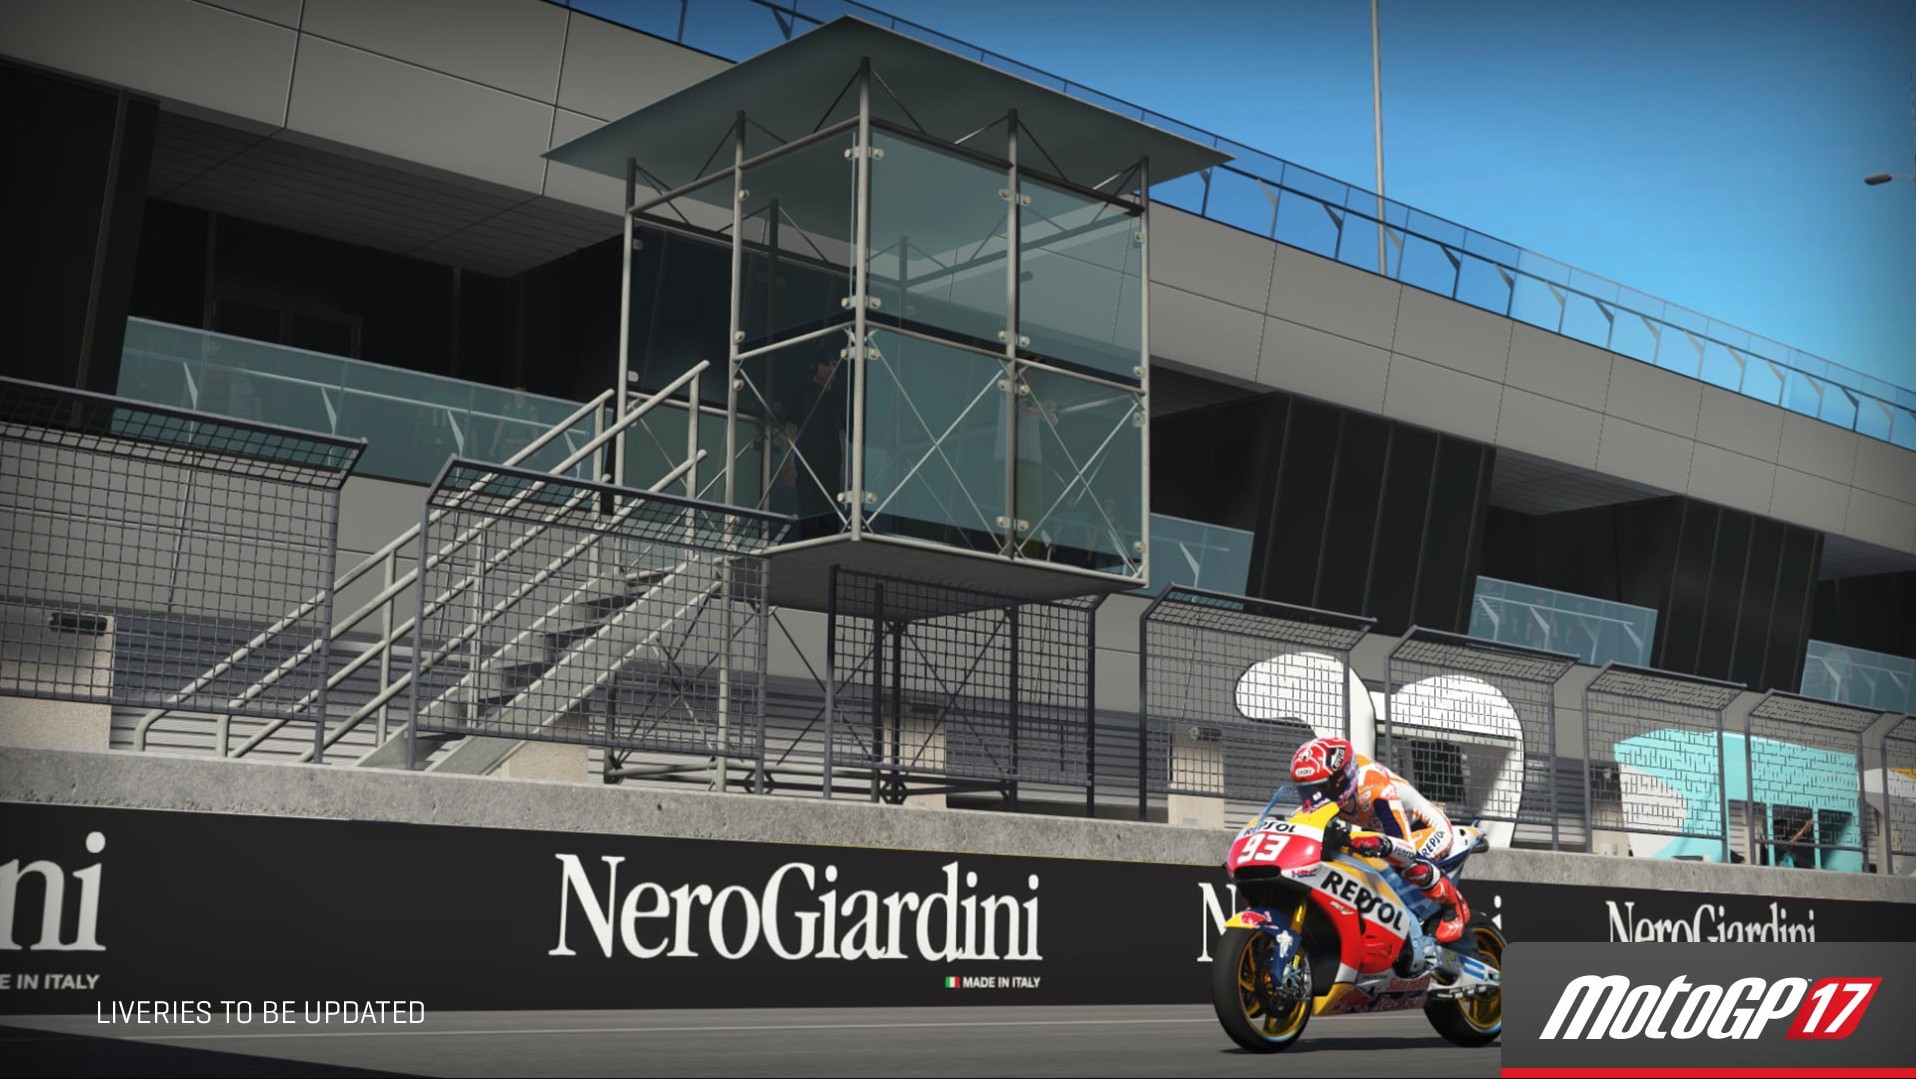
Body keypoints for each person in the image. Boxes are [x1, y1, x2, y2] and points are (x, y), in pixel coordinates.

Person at [1289, 735, 1471, 944]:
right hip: (1380, 831)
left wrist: (1378, 843)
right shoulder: (1330, 795)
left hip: (1424, 828)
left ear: (1340, 780)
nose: (1312, 797)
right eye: (1306, 790)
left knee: (1407, 865)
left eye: (1320, 788)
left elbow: (1404, 847)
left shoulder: (1375, 788)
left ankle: (1454, 905)